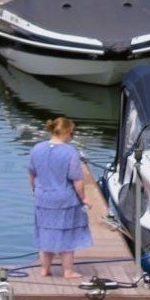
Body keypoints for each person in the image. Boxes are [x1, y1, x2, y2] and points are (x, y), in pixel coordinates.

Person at [28, 116, 92, 278]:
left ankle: (44, 269)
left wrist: (34, 189)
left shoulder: (37, 148)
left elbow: (32, 174)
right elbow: (77, 180)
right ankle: (68, 271)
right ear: (66, 132)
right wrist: (84, 198)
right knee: (66, 234)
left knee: (45, 232)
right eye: (72, 133)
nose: (72, 136)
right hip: (64, 199)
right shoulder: (70, 152)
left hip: (43, 197)